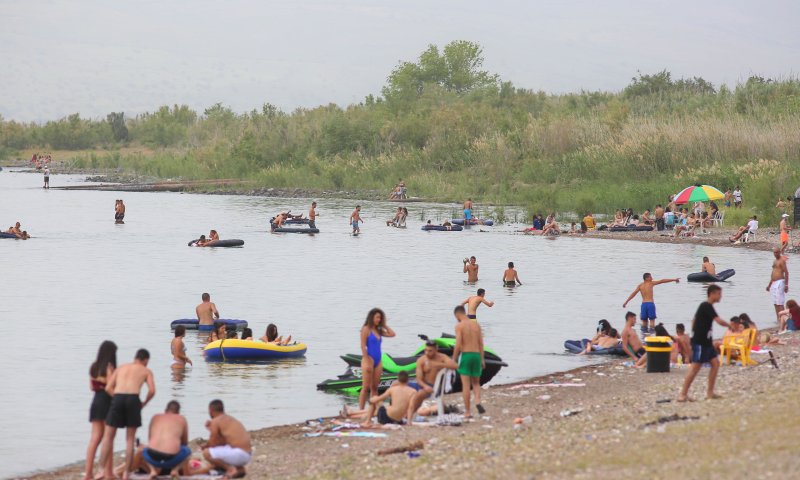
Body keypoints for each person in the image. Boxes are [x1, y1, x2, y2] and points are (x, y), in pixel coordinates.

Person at [101, 349, 156, 480]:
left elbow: (108, 387)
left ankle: (101, 470)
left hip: (118, 397)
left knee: (108, 436)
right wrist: (143, 403)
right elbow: (152, 391)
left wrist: (117, 399)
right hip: (133, 399)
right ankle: (126, 473)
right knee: (130, 439)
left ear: (135, 357)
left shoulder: (121, 368)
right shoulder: (146, 371)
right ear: (145, 360)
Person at [678, 285, 731, 402]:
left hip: (707, 343)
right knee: (695, 368)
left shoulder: (708, 307)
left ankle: (710, 393)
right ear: (712, 294)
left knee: (715, 364)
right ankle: (683, 394)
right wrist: (729, 325)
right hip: (701, 343)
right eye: (719, 293)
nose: (720, 296)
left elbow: (694, 320)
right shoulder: (705, 305)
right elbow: (718, 320)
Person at [84, 341, 117, 480]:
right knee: (108, 438)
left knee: (94, 439)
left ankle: (88, 473)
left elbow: (92, 387)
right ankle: (108, 473)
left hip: (95, 402)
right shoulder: (109, 367)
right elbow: (110, 388)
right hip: (106, 402)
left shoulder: (94, 367)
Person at [407, 340, 458, 424]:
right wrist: (424, 386)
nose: (427, 353)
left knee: (420, 394)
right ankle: (396, 412)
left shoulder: (442, 357)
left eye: (430, 351)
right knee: (396, 385)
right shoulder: (421, 360)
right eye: (426, 350)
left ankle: (409, 415)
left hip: (434, 387)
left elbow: (455, 366)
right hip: (422, 385)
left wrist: (439, 365)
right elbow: (419, 379)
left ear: (436, 349)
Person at [342, 370, 417, 426]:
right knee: (379, 410)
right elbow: (411, 407)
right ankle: (351, 413)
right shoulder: (413, 391)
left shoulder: (393, 389)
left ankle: (367, 421)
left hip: (386, 419)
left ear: (398, 380)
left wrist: (371, 400)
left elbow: (377, 399)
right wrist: (409, 422)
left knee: (375, 401)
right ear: (407, 380)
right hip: (398, 420)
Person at [202, 400, 251, 479]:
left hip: (239, 454)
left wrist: (206, 446)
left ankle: (230, 469)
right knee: (221, 450)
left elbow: (212, 444)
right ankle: (240, 470)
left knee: (206, 453)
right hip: (247, 455)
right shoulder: (229, 418)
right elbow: (223, 442)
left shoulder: (216, 421)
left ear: (210, 410)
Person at [142, 401, 191, 479]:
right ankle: (175, 470)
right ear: (178, 412)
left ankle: (152, 471)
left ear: (165, 410)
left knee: (144, 449)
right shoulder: (182, 419)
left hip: (153, 458)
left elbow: (150, 440)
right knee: (187, 450)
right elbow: (184, 443)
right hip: (171, 459)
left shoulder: (155, 417)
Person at [358, 308, 396, 410]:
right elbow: (362, 346)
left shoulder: (378, 330)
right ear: (371, 317)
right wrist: (366, 360)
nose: (379, 319)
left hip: (378, 361)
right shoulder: (366, 329)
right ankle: (361, 410)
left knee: (375, 388)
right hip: (368, 360)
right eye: (377, 317)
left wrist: (384, 325)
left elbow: (392, 334)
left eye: (380, 318)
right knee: (365, 388)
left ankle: (372, 410)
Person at [453, 305, 485, 418]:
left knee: (466, 385)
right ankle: (477, 401)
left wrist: (454, 358)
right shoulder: (476, 325)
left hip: (466, 355)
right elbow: (481, 343)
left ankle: (467, 412)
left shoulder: (459, 326)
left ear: (457, 315)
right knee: (476, 383)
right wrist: (482, 359)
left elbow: (458, 344)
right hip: (476, 355)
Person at [766, 247, 789, 326]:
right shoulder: (774, 261)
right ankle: (778, 320)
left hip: (780, 282)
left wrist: (786, 285)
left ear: (779, 252)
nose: (775, 254)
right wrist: (769, 285)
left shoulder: (782, 261)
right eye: (774, 252)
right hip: (774, 283)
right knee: (775, 302)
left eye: (776, 252)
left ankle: (784, 320)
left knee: (780, 302)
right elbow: (773, 273)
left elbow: (786, 273)